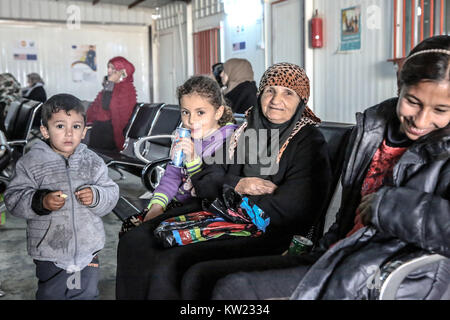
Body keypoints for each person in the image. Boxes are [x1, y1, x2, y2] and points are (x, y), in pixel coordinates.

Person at [207, 35, 450, 300]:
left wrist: (389, 206)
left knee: (232, 288)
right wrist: (323, 248)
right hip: (340, 254)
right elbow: (348, 213)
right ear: (399, 84)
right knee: (210, 277)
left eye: (441, 109)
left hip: (387, 278)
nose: (421, 119)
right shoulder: (372, 129)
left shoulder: (306, 139)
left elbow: (292, 206)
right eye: (413, 102)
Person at [115, 62, 332, 299]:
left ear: (301, 100)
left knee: (171, 261)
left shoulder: (309, 141)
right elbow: (205, 179)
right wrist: (238, 184)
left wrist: (232, 197)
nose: (275, 100)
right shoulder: (248, 131)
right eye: (270, 90)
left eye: (287, 93)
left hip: (265, 229)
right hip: (218, 210)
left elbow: (296, 207)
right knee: (136, 239)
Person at [4, 93, 120, 300]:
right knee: (53, 294)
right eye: (60, 126)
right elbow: (13, 198)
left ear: (84, 131)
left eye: (75, 127)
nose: (69, 133)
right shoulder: (31, 162)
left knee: (86, 294)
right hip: (50, 250)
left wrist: (96, 196)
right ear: (44, 131)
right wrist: (41, 201)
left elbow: (111, 192)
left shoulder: (92, 162)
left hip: (88, 248)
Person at [118, 75, 238, 236]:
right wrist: (157, 206)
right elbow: (171, 177)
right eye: (185, 112)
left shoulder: (229, 141)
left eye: (200, 112)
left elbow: (213, 188)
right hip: (179, 203)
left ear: (218, 112)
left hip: (205, 208)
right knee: (131, 227)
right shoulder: (186, 138)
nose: (191, 120)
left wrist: (193, 161)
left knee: (150, 235)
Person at [86, 56, 137, 151]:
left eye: (113, 68)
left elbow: (106, 105)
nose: (109, 70)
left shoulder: (126, 89)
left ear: (122, 72)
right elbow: (96, 108)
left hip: (112, 132)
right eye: (108, 67)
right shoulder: (109, 87)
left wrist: (109, 84)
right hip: (101, 128)